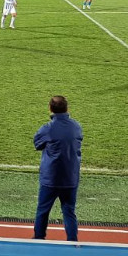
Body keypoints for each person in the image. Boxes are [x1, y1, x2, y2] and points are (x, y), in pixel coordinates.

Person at [33, 95, 83, 241]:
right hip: (70, 177)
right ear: (67, 108)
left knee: (43, 210)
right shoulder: (76, 126)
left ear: (50, 108)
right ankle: (72, 241)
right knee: (69, 211)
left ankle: (39, 239)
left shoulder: (47, 128)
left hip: (51, 178)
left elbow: (37, 144)